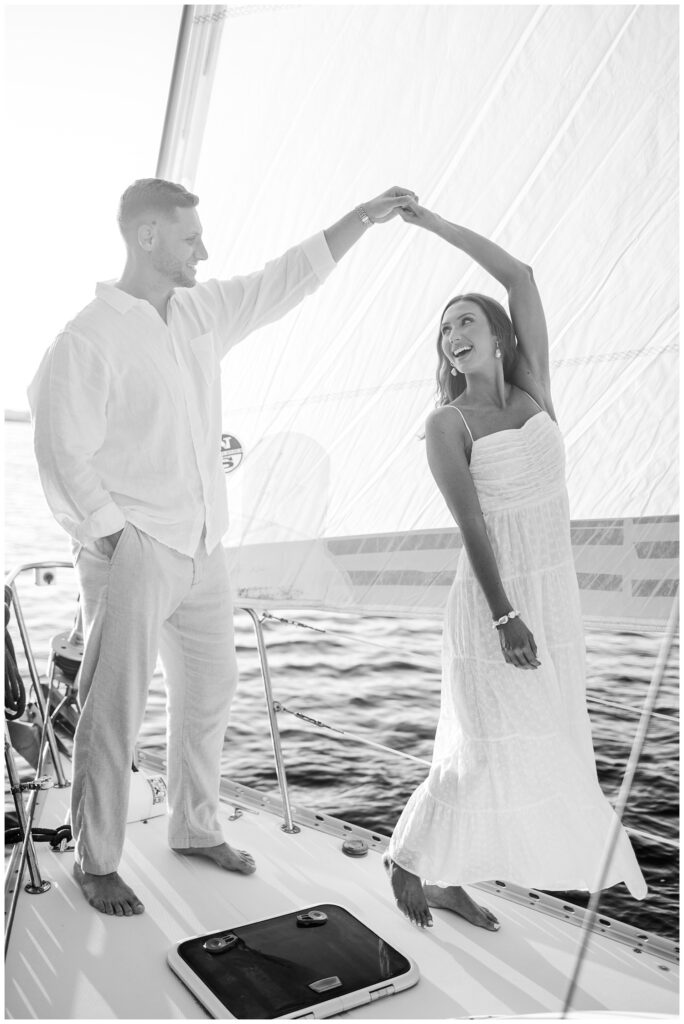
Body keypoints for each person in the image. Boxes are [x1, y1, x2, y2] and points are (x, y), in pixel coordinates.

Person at [28, 178, 417, 917]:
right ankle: (97, 860)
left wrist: (360, 216)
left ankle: (195, 827)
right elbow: (58, 448)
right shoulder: (88, 336)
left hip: (206, 547)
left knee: (210, 691)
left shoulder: (201, 311)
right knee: (113, 708)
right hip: (135, 550)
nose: (203, 250)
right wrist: (115, 534)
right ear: (147, 237)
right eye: (188, 237)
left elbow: (284, 280)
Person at [384, 202, 648, 931]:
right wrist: (504, 615)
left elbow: (521, 275)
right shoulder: (446, 424)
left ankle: (451, 874)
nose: (452, 334)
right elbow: (471, 525)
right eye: (444, 329)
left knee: (545, 740)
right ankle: (407, 858)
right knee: (485, 741)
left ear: (498, 336)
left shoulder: (535, 393)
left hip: (551, 597)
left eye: (465, 320)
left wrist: (431, 223)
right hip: (491, 602)